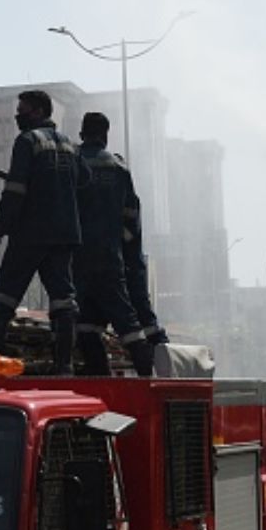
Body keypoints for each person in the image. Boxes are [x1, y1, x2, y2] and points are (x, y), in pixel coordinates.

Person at [0, 90, 89, 374]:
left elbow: (15, 191)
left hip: (30, 234)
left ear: (39, 111)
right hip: (64, 235)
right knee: (64, 301)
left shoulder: (27, 141)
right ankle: (64, 367)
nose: (18, 116)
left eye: (23, 110)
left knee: (3, 298)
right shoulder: (71, 146)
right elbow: (84, 180)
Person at [72, 112, 153, 376]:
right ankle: (146, 378)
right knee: (127, 324)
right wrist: (125, 252)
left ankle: (101, 379)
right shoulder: (119, 169)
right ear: (105, 135)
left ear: (82, 133)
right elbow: (132, 218)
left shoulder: (72, 163)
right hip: (110, 259)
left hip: (77, 260)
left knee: (85, 326)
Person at [123, 191, 169, 348]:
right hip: (124, 268)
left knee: (136, 320)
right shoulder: (119, 178)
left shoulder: (118, 180)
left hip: (125, 269)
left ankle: (161, 354)